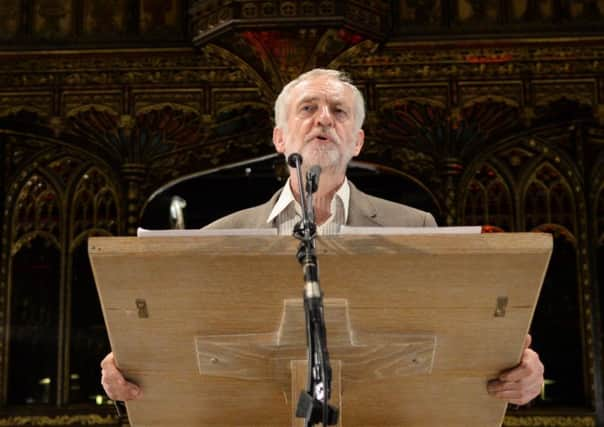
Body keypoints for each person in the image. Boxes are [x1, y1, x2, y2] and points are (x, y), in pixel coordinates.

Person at [101, 68, 544, 406]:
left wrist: (520, 372)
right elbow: (180, 346)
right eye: (308, 108)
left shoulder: (415, 227)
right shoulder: (219, 236)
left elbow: (456, 342)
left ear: (358, 141)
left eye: (339, 111)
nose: (323, 120)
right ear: (279, 137)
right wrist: (128, 369)